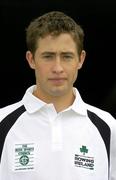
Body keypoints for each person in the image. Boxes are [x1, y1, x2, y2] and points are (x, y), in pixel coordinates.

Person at [0, 11, 116, 180]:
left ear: (81, 59)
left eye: (67, 56)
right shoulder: (2, 124)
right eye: (48, 56)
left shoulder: (109, 128)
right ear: (31, 59)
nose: (58, 68)